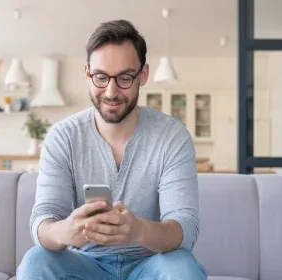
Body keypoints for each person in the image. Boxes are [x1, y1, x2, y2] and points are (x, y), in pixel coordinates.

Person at [17, 19, 207, 280]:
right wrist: (65, 231)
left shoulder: (171, 136)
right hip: (83, 264)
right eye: (101, 77)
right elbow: (42, 222)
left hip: (151, 265)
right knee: (34, 263)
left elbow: (185, 228)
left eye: (125, 78)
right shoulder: (63, 136)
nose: (111, 91)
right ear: (87, 73)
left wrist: (137, 231)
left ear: (143, 75)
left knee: (183, 269)